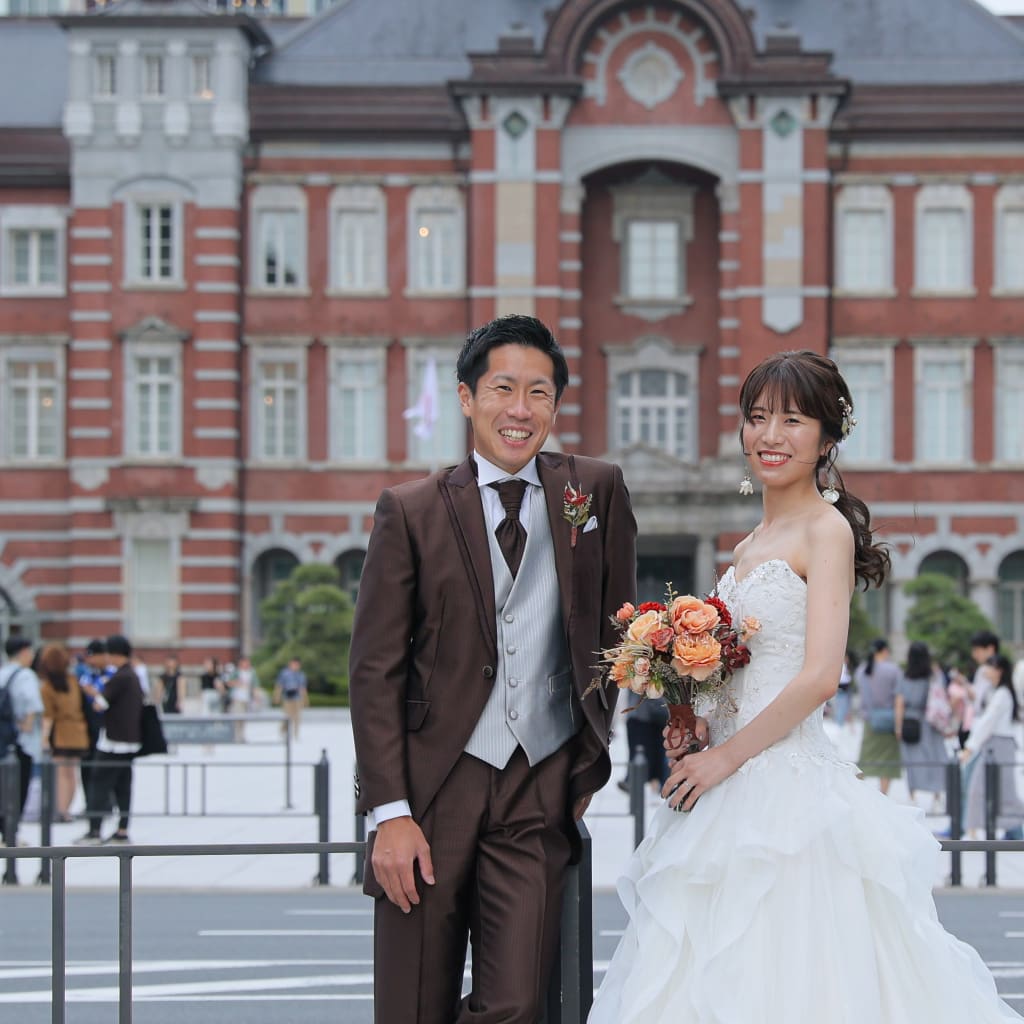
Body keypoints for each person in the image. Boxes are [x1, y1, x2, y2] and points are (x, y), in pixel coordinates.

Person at [589, 349, 1021, 1023]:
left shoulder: (826, 529)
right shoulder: (749, 542)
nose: (770, 435)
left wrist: (726, 756)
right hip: (722, 786)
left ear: (827, 437)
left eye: (792, 419)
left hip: (784, 792)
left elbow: (820, 675)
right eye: (757, 418)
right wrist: (696, 719)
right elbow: (742, 672)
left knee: (793, 977)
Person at [350, 314, 637, 1024]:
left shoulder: (594, 493)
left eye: (538, 393)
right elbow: (375, 669)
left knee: (516, 1006)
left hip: (538, 784)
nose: (520, 409)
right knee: (413, 1006)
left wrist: (585, 763)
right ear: (466, 398)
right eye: (503, 388)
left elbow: (619, 633)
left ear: (555, 406)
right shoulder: (411, 511)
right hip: (428, 792)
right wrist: (389, 813)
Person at [76, 635, 143, 845]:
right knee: (124, 785)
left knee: (98, 783)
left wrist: (91, 691)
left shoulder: (120, 677)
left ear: (114, 654)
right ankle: (122, 829)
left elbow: (100, 703)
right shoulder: (132, 675)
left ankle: (94, 830)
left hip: (113, 740)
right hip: (130, 740)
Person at [961, 654, 1024, 841]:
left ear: (999, 670)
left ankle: (977, 830)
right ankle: (1009, 829)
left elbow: (987, 722)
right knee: (996, 790)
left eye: (990, 667)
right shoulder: (998, 691)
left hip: (998, 745)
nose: (986, 671)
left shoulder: (1003, 693)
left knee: (990, 789)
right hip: (997, 745)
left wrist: (970, 747)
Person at [37, 643, 89, 822]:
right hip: (78, 731)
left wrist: (44, 739)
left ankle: (60, 810)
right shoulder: (73, 681)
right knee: (71, 773)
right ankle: (66, 809)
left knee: (61, 773)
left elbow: (48, 716)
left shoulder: (47, 687)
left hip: (60, 732)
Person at [895, 640, 949, 812]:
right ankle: (937, 796)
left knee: (912, 760)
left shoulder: (905, 676)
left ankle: (912, 796)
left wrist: (898, 726)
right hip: (931, 722)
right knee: (935, 757)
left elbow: (899, 702)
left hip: (911, 723)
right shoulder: (934, 676)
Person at [0, 636, 43, 841]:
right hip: (21, 743)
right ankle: (11, 834)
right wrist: (27, 726)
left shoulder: (2, 673)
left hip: (3, 742)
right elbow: (32, 705)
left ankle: (5, 832)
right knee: (18, 791)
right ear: (25, 652)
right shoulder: (26, 675)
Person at [856, 637, 901, 795]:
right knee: (887, 761)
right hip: (889, 720)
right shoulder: (893, 670)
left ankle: (860, 793)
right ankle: (883, 794)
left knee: (866, 759)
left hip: (869, 719)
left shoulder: (862, 670)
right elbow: (898, 697)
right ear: (885, 651)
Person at [75, 638, 111, 802]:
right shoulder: (85, 675)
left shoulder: (113, 674)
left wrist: (93, 693)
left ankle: (106, 802)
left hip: (108, 727)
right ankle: (90, 802)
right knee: (87, 766)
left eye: (92, 656)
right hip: (87, 729)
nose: (89, 660)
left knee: (106, 768)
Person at [274, 658, 307, 739]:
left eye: (297, 665)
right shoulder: (284, 673)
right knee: (287, 716)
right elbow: (279, 685)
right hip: (287, 697)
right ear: (290, 664)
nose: (295, 666)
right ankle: (282, 731)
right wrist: (276, 696)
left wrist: (305, 700)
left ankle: (296, 734)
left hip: (297, 698)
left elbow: (303, 688)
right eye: (294, 664)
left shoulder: (301, 675)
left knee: (297, 717)